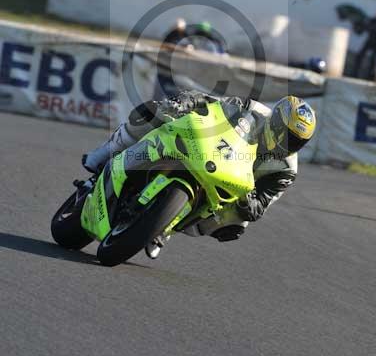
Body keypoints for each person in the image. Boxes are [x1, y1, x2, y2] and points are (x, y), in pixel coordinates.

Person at [82, 91, 316, 254]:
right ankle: (103, 155)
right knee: (152, 114)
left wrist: (246, 199)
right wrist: (183, 103)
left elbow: (260, 207)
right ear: (275, 121)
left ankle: (163, 227)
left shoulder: (286, 170)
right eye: (286, 135)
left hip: (229, 186)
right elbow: (210, 101)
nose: (287, 144)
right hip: (207, 149)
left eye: (296, 142)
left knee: (235, 225)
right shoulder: (251, 109)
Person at [354, 7, 376, 80]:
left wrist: (371, 27)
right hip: (369, 41)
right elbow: (366, 28)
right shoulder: (373, 20)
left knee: (374, 60)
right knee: (360, 56)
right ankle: (355, 73)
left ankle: (370, 76)